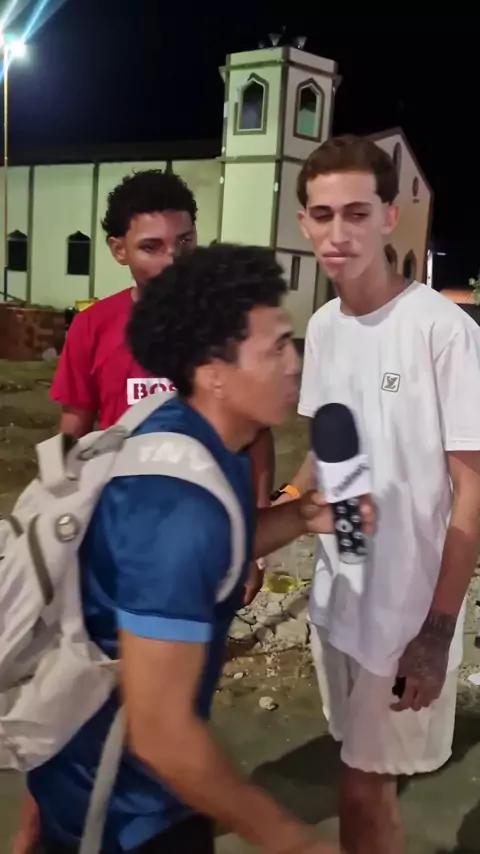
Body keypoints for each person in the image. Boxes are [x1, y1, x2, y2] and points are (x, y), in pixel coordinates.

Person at [27, 244, 375, 854]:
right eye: (276, 348)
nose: (295, 364)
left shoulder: (193, 434)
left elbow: (217, 548)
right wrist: (295, 841)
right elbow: (161, 735)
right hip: (120, 814)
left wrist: (301, 516)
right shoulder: (176, 507)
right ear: (214, 371)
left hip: (139, 793)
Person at [10, 172, 270, 854]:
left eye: (185, 242)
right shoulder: (95, 327)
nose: (172, 259)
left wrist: (255, 535)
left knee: (172, 706)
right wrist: (51, 546)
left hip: (185, 556)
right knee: (79, 718)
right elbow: (71, 436)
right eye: (152, 246)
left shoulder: (221, 329)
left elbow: (256, 434)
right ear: (118, 250)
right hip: (110, 563)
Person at [282, 134, 480, 854]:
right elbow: (329, 445)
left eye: (357, 213)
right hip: (338, 597)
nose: (339, 232)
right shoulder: (324, 328)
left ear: (389, 217)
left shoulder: (443, 332)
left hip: (403, 613)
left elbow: (471, 489)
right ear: (304, 223)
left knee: (366, 795)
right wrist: (282, 506)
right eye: (323, 214)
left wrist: (437, 632)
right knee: (360, 783)